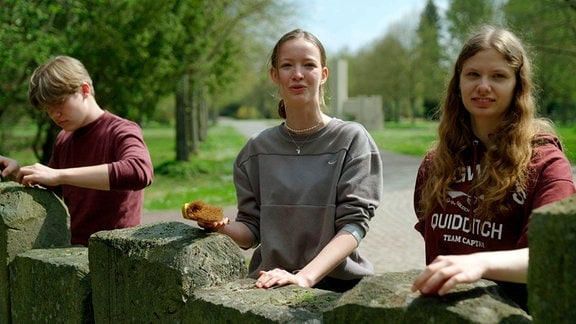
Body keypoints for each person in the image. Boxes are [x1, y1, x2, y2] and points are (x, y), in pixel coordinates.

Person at [197, 29, 383, 292]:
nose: (298, 74)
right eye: (287, 65)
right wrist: (221, 227)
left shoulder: (352, 139)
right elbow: (251, 231)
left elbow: (354, 225)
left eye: (309, 65)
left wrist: (304, 278)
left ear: (323, 75)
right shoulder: (256, 150)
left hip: (339, 288)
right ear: (275, 75)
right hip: (270, 284)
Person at [410, 25, 575, 311]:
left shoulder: (546, 164)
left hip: (513, 315)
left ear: (517, 85)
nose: (483, 86)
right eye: (473, 74)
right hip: (444, 315)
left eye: (498, 76)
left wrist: (480, 263)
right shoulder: (435, 164)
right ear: (458, 82)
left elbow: (551, 256)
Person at [16, 55, 154, 246]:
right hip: (73, 252)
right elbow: (48, 189)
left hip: (116, 257)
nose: (54, 114)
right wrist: (17, 172)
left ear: (85, 90)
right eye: (48, 108)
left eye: (59, 103)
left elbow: (140, 172)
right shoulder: (64, 139)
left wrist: (59, 175)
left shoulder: (121, 130)